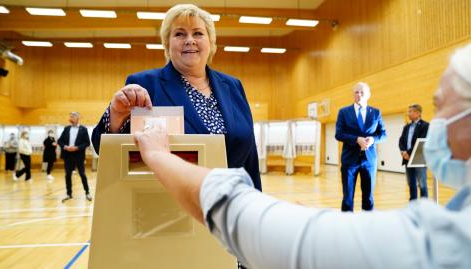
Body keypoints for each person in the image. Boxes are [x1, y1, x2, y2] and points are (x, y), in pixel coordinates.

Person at [132, 44, 471, 269]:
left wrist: (159, 155)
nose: (434, 120)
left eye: (440, 106)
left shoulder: (446, 240)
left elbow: (244, 220)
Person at [91, 4, 261, 192]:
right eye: (179, 34)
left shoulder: (233, 86)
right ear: (167, 44)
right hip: (168, 203)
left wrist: (255, 202)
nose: (190, 40)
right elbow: (106, 149)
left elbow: (250, 156)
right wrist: (116, 114)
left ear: (211, 43)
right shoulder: (145, 84)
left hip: (229, 205)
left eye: (198, 33)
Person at [335, 82, 387, 211]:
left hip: (369, 161)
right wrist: (355, 139)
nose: (359, 94)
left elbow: (383, 134)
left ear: (368, 95)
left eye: (362, 92)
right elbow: (339, 134)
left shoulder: (376, 112)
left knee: (368, 197)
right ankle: (346, 224)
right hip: (349, 160)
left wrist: (373, 139)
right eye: (356, 92)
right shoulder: (344, 112)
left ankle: (367, 224)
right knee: (347, 197)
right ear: (353, 94)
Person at [58, 112, 92, 202]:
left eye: (72, 116)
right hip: (68, 155)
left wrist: (77, 148)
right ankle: (69, 194)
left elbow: (87, 142)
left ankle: (87, 192)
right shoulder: (66, 129)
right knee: (68, 175)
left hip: (79, 155)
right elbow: (60, 141)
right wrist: (65, 147)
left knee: (82, 174)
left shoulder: (83, 129)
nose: (70, 118)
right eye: (70, 116)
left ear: (77, 118)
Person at [399, 104, 429, 200]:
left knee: (422, 184)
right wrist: (403, 151)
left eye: (411, 111)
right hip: (407, 158)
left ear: (418, 113)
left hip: (418, 158)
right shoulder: (406, 127)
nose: (408, 113)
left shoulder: (425, 125)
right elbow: (401, 140)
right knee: (411, 183)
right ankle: (413, 204)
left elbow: (421, 140)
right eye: (408, 111)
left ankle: (424, 205)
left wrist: (409, 153)